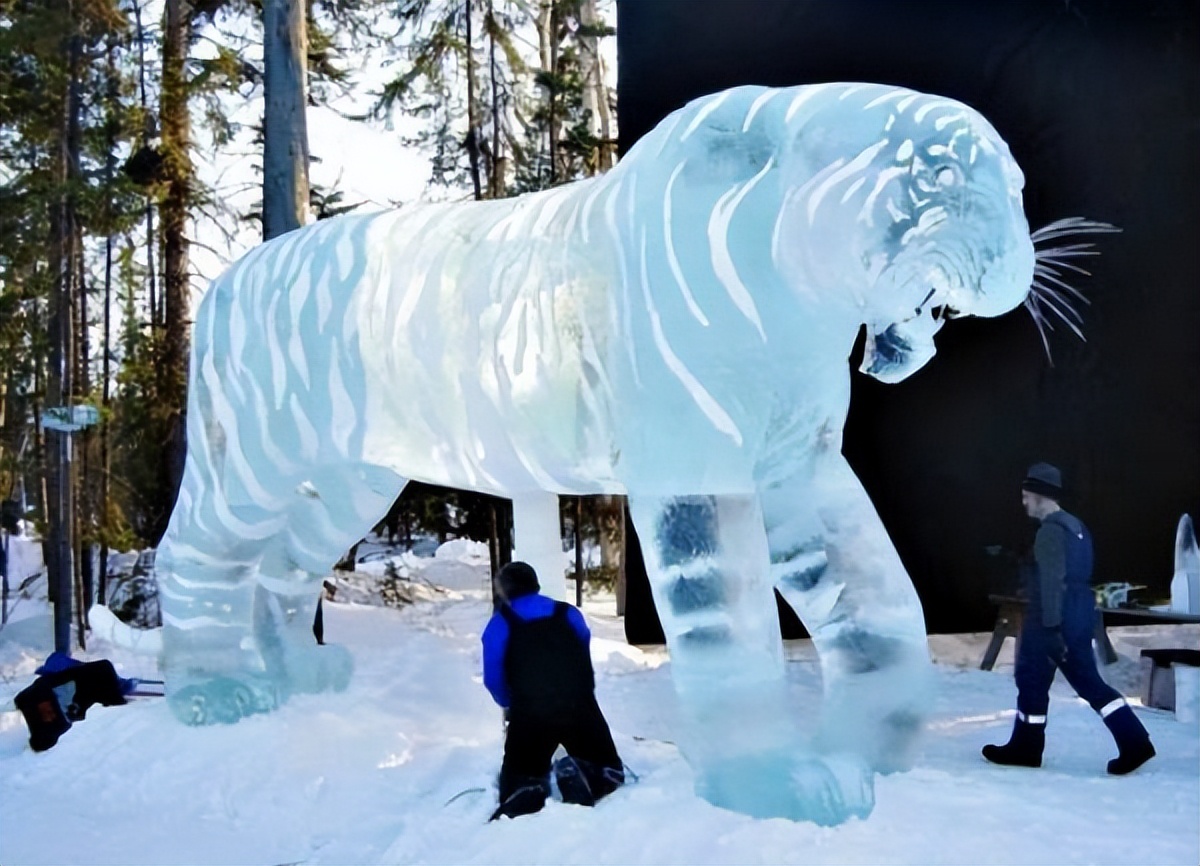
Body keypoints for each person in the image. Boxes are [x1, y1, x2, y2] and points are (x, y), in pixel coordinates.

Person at [983, 463, 1155, 775]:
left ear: (1039, 495)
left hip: (1052, 613)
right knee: (1040, 678)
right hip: (1078, 609)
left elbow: (1052, 581)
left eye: (1026, 496)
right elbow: (1068, 571)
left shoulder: (1049, 531)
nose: (1023, 503)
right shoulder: (1076, 526)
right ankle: (1027, 745)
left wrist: (1050, 628)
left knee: (1062, 680)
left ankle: (1133, 742)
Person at [482, 561, 624, 819]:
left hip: (530, 714)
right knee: (608, 769)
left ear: (504, 590)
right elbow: (582, 653)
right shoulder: (569, 614)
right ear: (535, 584)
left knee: (519, 775)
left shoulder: (500, 624)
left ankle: (528, 786)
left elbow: (493, 678)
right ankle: (587, 773)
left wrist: (510, 704)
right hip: (580, 709)